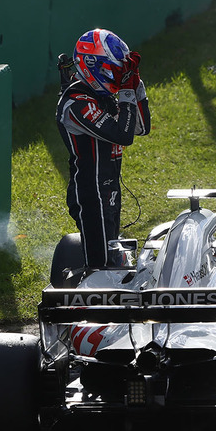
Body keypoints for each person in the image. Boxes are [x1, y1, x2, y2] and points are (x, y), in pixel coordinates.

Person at [56, 29, 151, 268]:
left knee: (111, 255)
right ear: (93, 66)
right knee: (100, 264)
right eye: (113, 70)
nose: (118, 78)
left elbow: (141, 127)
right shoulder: (76, 104)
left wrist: (136, 83)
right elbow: (123, 135)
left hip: (109, 189)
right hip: (90, 193)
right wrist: (127, 91)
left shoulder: (101, 97)